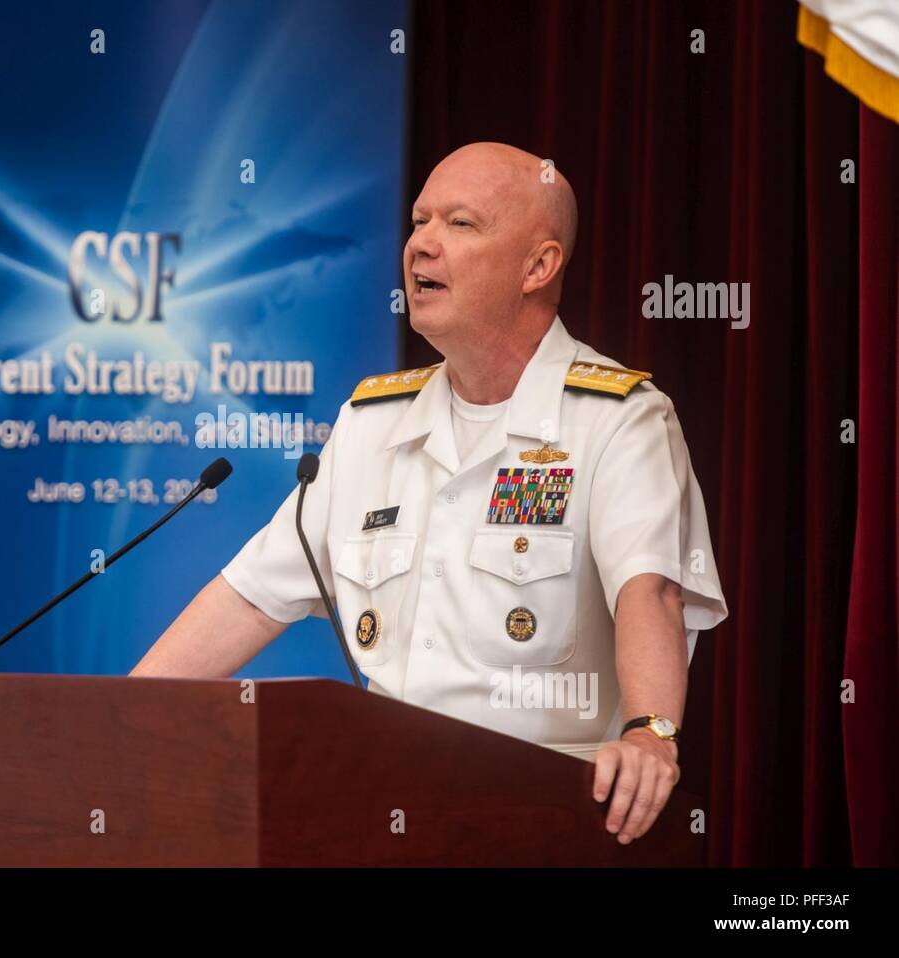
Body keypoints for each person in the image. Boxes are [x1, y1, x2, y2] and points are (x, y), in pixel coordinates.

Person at [132, 142, 727, 845]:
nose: (421, 245)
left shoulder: (619, 419)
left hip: (545, 818)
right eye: (419, 221)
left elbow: (649, 591)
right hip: (383, 819)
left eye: (460, 224)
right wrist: (121, 718)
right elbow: (248, 597)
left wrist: (651, 733)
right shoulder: (370, 422)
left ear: (539, 266)